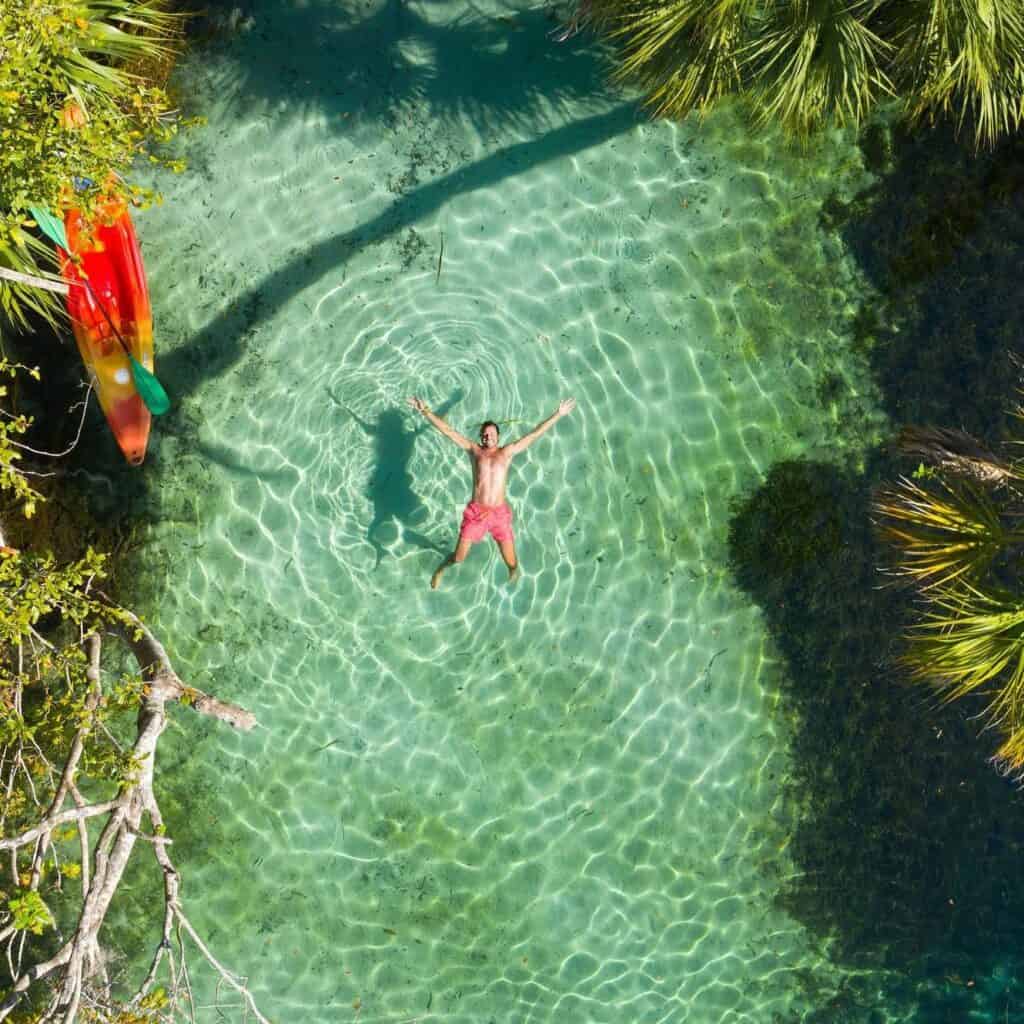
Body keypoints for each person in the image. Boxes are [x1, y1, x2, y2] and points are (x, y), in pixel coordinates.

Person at [406, 396, 576, 588]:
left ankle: (514, 580)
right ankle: (442, 568)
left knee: (511, 563)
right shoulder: (474, 451)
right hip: (476, 513)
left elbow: (533, 435)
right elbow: (448, 431)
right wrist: (424, 411)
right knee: (459, 558)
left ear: (498, 436)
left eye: (492, 434)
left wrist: (558, 414)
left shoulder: (507, 452)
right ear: (481, 437)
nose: (488, 437)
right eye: (484, 434)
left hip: (499, 515)